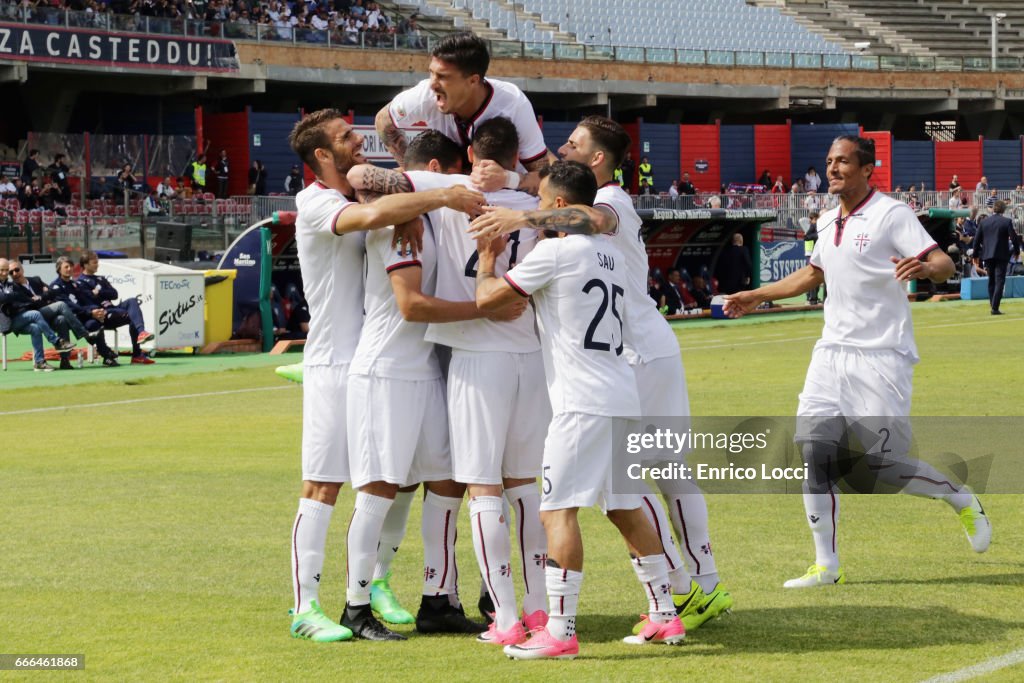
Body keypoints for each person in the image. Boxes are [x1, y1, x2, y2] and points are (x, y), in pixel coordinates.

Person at [469, 115, 731, 634]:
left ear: (595, 161)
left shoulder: (607, 209)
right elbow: (567, 206)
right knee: (627, 498)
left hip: (626, 364)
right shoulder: (599, 246)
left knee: (581, 502)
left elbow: (587, 220)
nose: (562, 147)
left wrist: (513, 227)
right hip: (620, 367)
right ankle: (672, 602)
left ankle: (675, 592)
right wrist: (519, 190)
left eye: (574, 144)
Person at [723, 135, 991, 588]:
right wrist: (756, 295)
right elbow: (813, 274)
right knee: (814, 453)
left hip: (882, 354)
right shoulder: (826, 220)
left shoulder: (893, 214)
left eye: (843, 161)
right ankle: (826, 565)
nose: (833, 169)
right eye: (828, 161)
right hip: (831, 353)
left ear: (867, 169)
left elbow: (944, 263)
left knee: (880, 465)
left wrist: (925, 269)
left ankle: (960, 497)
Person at [285, 108, 485, 643]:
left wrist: (411, 206)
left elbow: (384, 194)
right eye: (346, 138)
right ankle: (306, 607)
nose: (359, 143)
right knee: (324, 484)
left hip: (387, 360)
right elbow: (370, 217)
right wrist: (434, 200)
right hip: (336, 362)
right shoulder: (316, 203)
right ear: (321, 155)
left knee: (414, 478)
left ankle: (377, 582)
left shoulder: (363, 199)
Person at [349, 117, 551, 646]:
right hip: (531, 354)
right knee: (524, 487)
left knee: (480, 486)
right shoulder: (539, 206)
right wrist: (521, 182)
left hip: (474, 356)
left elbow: (363, 178)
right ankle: (533, 608)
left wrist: (429, 200)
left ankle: (503, 616)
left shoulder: (449, 198)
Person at [475, 161, 683, 659]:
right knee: (624, 507)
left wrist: (488, 258)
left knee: (555, 512)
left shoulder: (555, 252)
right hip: (620, 395)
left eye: (544, 203)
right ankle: (665, 616)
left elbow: (488, 300)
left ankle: (561, 631)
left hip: (580, 404)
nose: (539, 212)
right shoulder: (608, 251)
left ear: (562, 206)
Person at [376, 31, 551, 194]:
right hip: (451, 197)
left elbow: (548, 177)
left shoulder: (513, 104)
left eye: (443, 77)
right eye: (431, 73)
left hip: (506, 198)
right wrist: (410, 169)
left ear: (473, 80)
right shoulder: (424, 95)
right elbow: (383, 121)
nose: (432, 84)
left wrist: (507, 179)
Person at [3, 259, 98, 370]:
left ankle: (65, 360)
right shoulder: (13, 287)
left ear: (22, 269)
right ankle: (84, 334)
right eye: (11, 272)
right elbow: (26, 305)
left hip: (43, 313)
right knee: (61, 305)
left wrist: (40, 297)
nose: (15, 274)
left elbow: (52, 292)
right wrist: (41, 297)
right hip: (32, 316)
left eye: (17, 270)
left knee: (61, 319)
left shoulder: (35, 279)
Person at [76, 251, 156, 365]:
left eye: (97, 262)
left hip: (113, 309)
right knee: (133, 315)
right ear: (85, 264)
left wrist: (99, 292)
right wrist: (100, 294)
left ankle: (141, 336)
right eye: (94, 262)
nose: (97, 265)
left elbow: (114, 294)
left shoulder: (101, 278)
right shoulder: (80, 282)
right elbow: (89, 299)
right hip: (103, 314)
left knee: (132, 302)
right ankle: (137, 354)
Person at [48, 256, 120, 366]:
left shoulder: (75, 284)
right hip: (65, 318)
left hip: (80, 315)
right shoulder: (55, 286)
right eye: (66, 267)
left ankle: (106, 356)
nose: (69, 269)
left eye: (71, 266)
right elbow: (69, 306)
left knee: (95, 324)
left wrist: (95, 310)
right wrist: (89, 312)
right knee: (62, 320)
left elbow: (85, 301)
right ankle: (65, 360)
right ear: (59, 269)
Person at [972, 200, 1020, 315]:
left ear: (993, 209)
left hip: (987, 255)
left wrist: (975, 255)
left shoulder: (984, 222)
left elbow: (976, 240)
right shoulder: (1006, 221)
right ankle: (994, 307)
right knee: (1000, 281)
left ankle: (992, 304)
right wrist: (1017, 251)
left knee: (991, 280)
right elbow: (1014, 238)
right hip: (1001, 255)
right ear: (1003, 210)